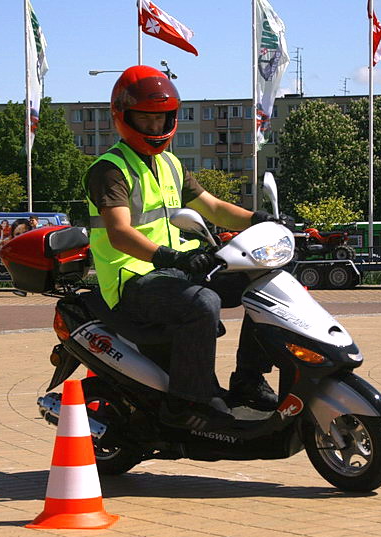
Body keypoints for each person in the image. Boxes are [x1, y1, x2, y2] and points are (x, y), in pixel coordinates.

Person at [85, 65, 278, 431]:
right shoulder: (109, 169)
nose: (155, 129)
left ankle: (249, 379)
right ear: (122, 117)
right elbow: (120, 232)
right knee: (203, 303)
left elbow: (214, 207)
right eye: (146, 120)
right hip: (134, 279)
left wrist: (259, 219)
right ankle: (189, 401)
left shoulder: (171, 164)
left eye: (162, 120)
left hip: (177, 270)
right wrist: (169, 256)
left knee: (262, 275)